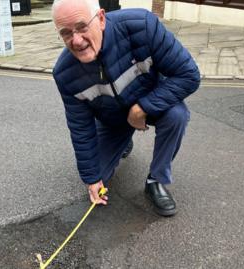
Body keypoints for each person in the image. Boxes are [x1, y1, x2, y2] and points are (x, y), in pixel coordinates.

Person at [51, 0, 200, 216]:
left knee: (177, 115)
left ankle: (155, 180)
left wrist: (141, 108)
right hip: (111, 118)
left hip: (150, 101)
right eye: (66, 33)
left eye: (82, 27)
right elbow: (81, 128)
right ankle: (123, 140)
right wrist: (91, 178)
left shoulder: (143, 26)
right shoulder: (65, 74)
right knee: (98, 176)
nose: (77, 40)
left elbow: (189, 75)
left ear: (101, 19)